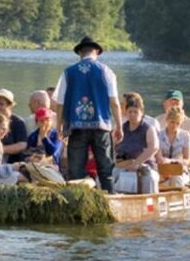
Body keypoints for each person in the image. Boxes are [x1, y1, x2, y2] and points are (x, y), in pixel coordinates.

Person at [54, 36, 123, 192]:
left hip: (76, 127)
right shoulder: (106, 71)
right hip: (101, 127)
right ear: (96, 51)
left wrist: (59, 125)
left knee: (76, 170)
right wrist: (119, 125)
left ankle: (79, 200)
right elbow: (114, 102)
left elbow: (60, 103)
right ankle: (109, 198)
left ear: (80, 53)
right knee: (106, 170)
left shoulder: (68, 72)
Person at [113, 93, 160, 193]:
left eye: (135, 112)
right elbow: (113, 146)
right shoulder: (122, 129)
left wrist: (137, 163)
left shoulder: (148, 128)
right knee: (108, 176)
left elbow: (153, 147)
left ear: (141, 112)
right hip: (124, 165)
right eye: (130, 112)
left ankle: (149, 200)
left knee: (149, 177)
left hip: (145, 165)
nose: (132, 115)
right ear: (126, 113)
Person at [155, 90, 190, 154]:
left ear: (182, 104)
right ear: (164, 104)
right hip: (160, 156)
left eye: (177, 102)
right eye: (171, 102)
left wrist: (181, 139)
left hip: (182, 157)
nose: (174, 105)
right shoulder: (156, 121)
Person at [157, 106, 190, 188]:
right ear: (167, 120)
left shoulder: (185, 135)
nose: (175, 125)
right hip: (162, 169)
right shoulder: (158, 135)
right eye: (172, 122)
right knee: (161, 181)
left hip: (180, 170)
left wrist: (173, 161)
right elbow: (159, 158)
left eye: (178, 123)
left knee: (176, 179)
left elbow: (187, 159)